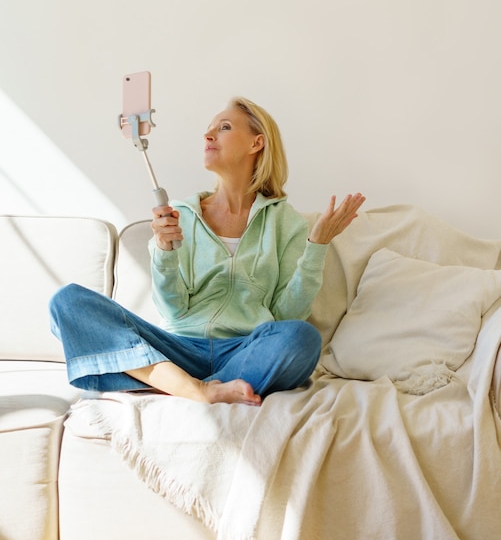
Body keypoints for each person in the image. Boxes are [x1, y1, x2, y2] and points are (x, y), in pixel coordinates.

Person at [49, 97, 365, 406]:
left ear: (257, 143)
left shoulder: (287, 223)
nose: (208, 135)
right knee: (68, 302)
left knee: (302, 338)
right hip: (177, 347)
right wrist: (164, 251)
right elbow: (173, 311)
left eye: (224, 127)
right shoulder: (180, 216)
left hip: (244, 350)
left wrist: (317, 245)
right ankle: (198, 390)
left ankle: (182, 385)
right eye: (209, 128)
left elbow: (286, 316)